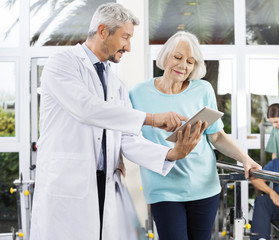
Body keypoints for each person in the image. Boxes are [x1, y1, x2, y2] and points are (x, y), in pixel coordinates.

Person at [29, 3, 207, 240]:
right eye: (125, 37)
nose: (129, 47)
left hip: (104, 185)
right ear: (103, 31)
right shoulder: (62, 63)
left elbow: (128, 139)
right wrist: (151, 119)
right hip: (68, 184)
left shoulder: (116, 85)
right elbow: (86, 108)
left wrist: (172, 154)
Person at [129, 31, 262, 240]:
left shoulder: (203, 89)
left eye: (190, 62)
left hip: (204, 187)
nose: (183, 66)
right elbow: (128, 137)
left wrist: (245, 159)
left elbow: (217, 137)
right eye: (178, 57)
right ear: (165, 57)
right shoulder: (137, 93)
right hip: (162, 189)